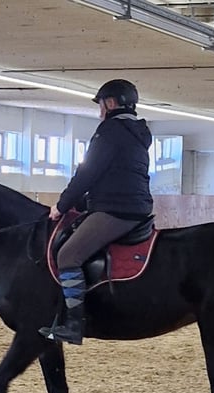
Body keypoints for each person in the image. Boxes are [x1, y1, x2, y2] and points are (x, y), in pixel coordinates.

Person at [39, 79, 154, 345]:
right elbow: (115, 175)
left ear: (110, 103)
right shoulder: (137, 133)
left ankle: (74, 325)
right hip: (133, 205)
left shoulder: (109, 131)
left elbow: (87, 173)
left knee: (67, 255)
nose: (100, 110)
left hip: (117, 210)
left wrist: (62, 205)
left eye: (101, 105)